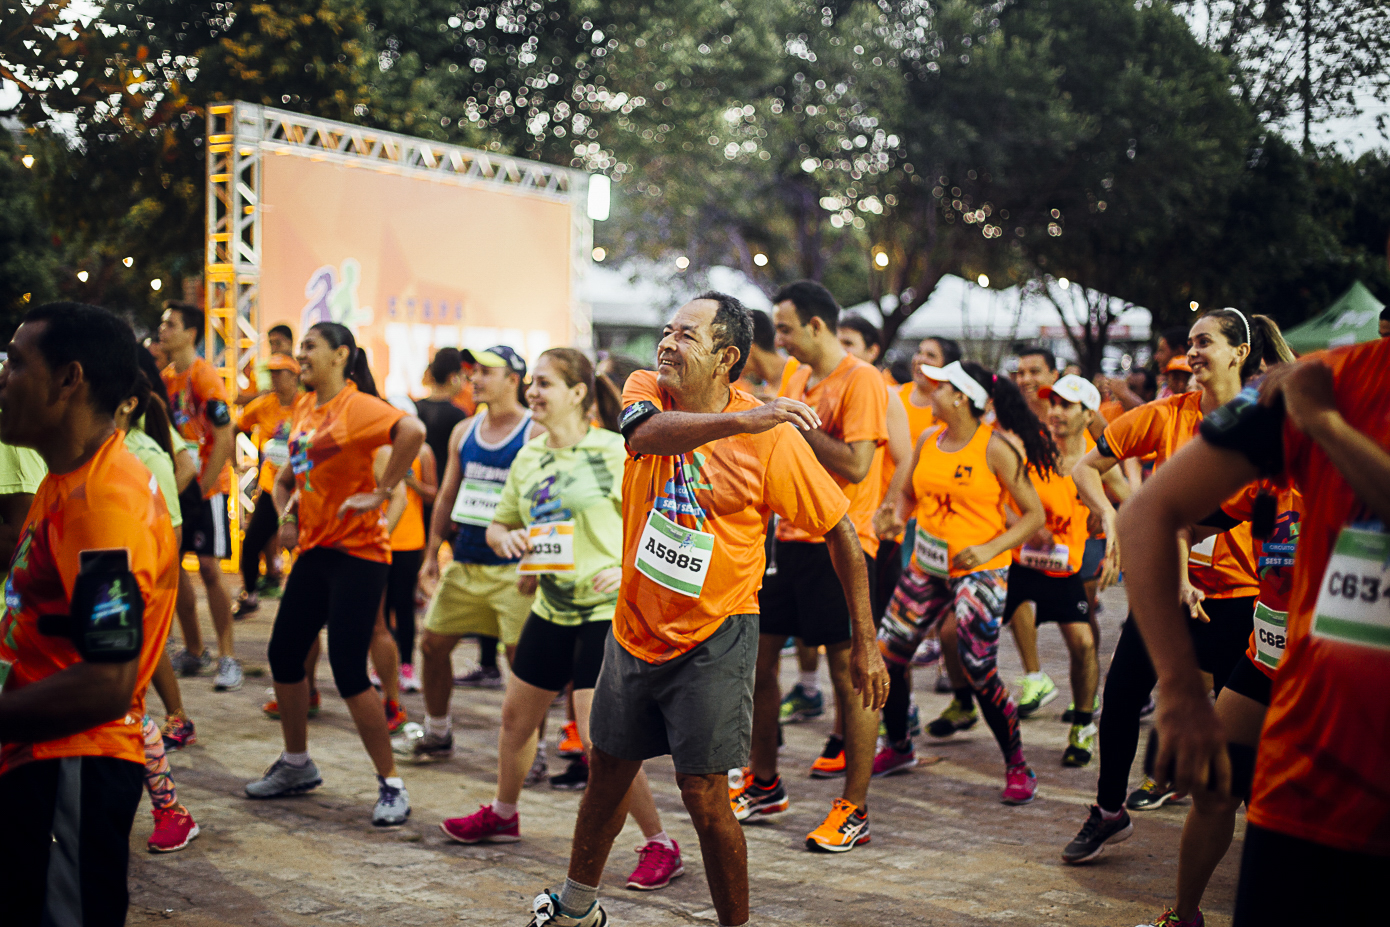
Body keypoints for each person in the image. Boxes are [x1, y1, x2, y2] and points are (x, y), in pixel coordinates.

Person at [525, 293, 888, 927]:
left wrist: (867, 639)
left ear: (726, 358)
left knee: (705, 793)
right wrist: (744, 423)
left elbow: (841, 530)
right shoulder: (650, 391)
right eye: (666, 330)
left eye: (685, 337)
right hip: (634, 627)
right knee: (605, 771)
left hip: (715, 632)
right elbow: (643, 435)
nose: (666, 343)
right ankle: (577, 909)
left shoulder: (772, 442)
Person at [1117, 332, 1389, 924]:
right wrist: (1181, 691)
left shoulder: (1319, 413)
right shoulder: (1314, 389)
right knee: (1216, 789)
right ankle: (1183, 914)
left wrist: (1327, 426)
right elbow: (1150, 514)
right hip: (1280, 676)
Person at [440, 349, 685, 888]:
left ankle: (659, 843)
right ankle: (504, 815)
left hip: (606, 613)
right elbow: (499, 526)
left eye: (544, 383)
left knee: (604, 742)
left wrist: (627, 575)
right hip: (550, 605)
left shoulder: (615, 450)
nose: (533, 392)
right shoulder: (527, 456)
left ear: (578, 392)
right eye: (530, 383)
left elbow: (663, 519)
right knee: (514, 720)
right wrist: (514, 544)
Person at [1062, 309, 1273, 864]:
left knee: (1248, 724)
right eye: (1190, 343)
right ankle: (1109, 810)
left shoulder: (1260, 421)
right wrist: (1111, 516)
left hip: (1237, 599)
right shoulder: (1164, 416)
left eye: (1206, 343)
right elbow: (1086, 467)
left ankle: (1268, 829)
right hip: (1168, 595)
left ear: (1240, 352)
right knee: (1123, 697)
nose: (1193, 352)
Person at [0, 302, 179, 924]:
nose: (3, 376)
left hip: (69, 764)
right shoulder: (70, 476)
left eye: (17, 362)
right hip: (46, 763)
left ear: (69, 378)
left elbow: (108, 681)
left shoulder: (102, 505)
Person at [244, 322, 426, 827]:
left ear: (340, 354)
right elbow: (287, 475)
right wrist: (283, 513)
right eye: (300, 346)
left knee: (348, 670)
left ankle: (392, 784)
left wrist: (382, 490)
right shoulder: (306, 408)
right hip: (316, 550)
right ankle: (297, 764)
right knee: (284, 654)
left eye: (309, 347)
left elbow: (412, 432)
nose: (298, 355)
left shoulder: (356, 406)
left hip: (360, 555)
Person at [734, 280, 887, 852]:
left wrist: (790, 424)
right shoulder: (796, 378)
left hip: (843, 539)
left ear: (817, 326)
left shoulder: (861, 379)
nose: (778, 339)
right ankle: (765, 782)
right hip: (787, 540)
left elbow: (855, 465)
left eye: (786, 328)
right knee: (759, 658)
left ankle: (855, 807)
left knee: (851, 672)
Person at [874, 359, 1053, 801]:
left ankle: (1017, 765)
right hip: (928, 568)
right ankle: (898, 747)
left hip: (980, 570)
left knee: (978, 667)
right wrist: (895, 517)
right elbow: (912, 496)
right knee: (887, 654)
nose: (927, 394)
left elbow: (1034, 515)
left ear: (961, 397)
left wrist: (992, 549)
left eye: (938, 389)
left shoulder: (996, 448)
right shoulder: (927, 439)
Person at [413, 346, 539, 759]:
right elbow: (449, 492)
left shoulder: (535, 432)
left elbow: (549, 502)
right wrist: (432, 553)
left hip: (514, 568)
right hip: (465, 561)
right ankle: (437, 731)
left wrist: (539, 562)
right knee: (432, 646)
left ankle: (530, 750)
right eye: (474, 372)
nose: (476, 379)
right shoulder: (464, 430)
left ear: (513, 380)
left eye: (487, 372)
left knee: (522, 665)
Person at [1002, 376, 1129, 767]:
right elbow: (999, 498)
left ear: (1088, 414)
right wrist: (1024, 522)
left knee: (1084, 645)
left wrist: (1113, 548)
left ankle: (1082, 725)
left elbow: (1133, 505)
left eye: (1066, 405)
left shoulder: (1096, 462)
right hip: (1021, 564)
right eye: (1052, 403)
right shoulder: (1029, 449)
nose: (1055, 411)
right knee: (959, 633)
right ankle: (1021, 685)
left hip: (1064, 568)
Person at [115, 362, 202, 852]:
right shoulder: (76, 457)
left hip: (134, 598)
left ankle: (170, 808)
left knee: (127, 707)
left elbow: (166, 536)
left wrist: (153, 602)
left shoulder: (144, 456)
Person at [159, 302, 239, 690]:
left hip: (207, 488)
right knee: (172, 568)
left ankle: (228, 657)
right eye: (162, 323)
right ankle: (194, 649)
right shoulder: (165, 378)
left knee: (209, 568)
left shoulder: (204, 375)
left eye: (170, 324)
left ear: (191, 332)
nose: (162, 329)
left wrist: (204, 487)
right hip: (179, 488)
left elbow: (225, 435)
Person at [234, 353, 301, 616]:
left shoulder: (307, 404)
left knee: (303, 547)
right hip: (272, 488)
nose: (274, 378)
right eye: (271, 372)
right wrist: (233, 459)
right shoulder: (264, 404)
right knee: (250, 545)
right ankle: (249, 594)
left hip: (299, 490)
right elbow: (236, 426)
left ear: (294, 375)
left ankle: (310, 603)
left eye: (280, 372)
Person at [730, 308, 788, 400]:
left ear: (748, 350)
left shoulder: (803, 376)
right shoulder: (766, 389)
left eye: (733, 352)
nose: (728, 361)